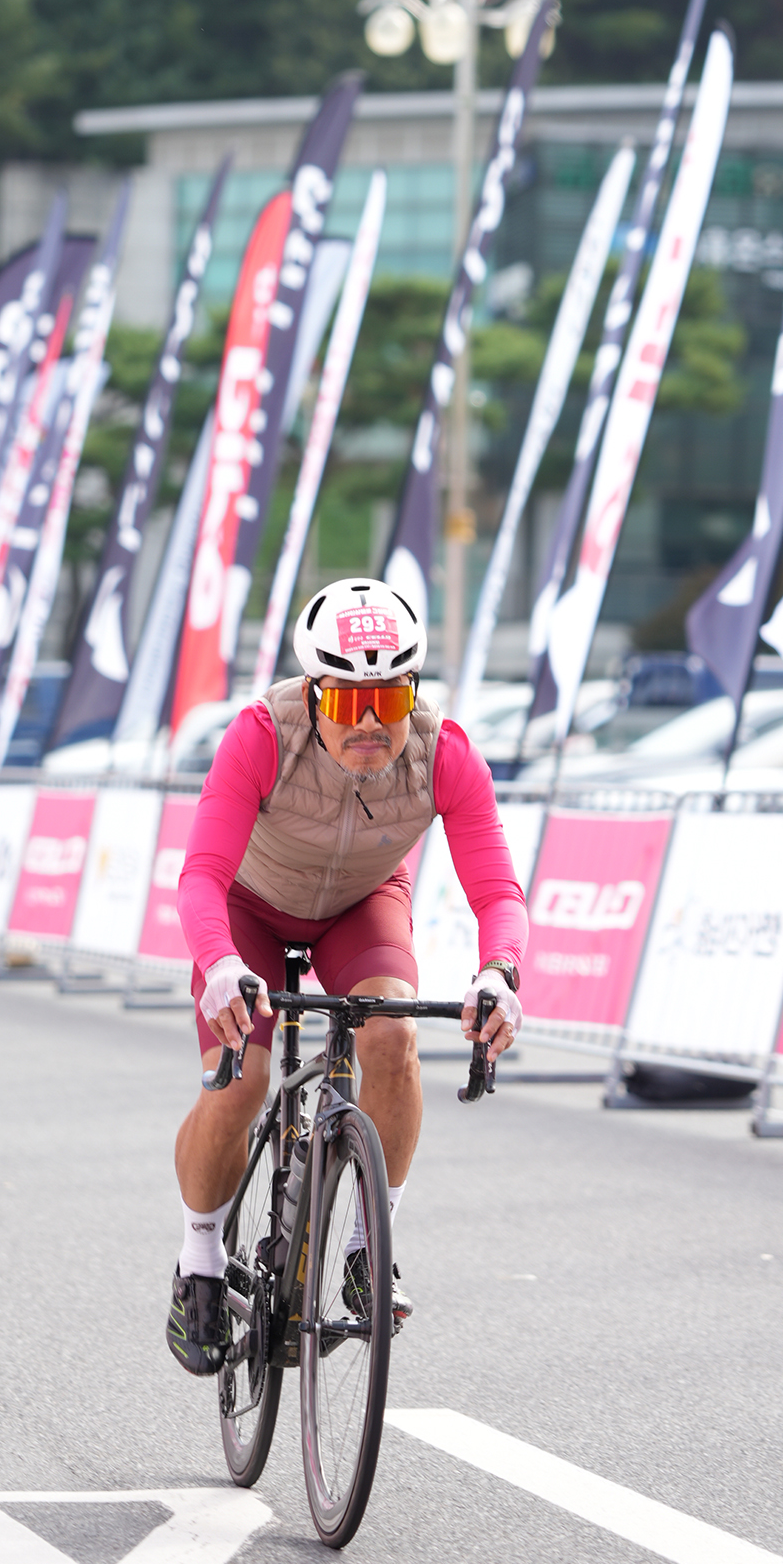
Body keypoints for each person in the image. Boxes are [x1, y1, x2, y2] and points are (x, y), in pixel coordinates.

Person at [168, 576, 527, 1377]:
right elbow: (201, 874)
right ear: (313, 693)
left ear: (414, 693)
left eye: (389, 700)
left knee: (393, 1039)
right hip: (249, 909)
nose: (369, 723)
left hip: (360, 906)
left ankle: (370, 1247)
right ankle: (200, 1256)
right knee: (242, 1080)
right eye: (347, 701)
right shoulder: (262, 733)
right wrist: (220, 963)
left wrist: (500, 971)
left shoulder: (443, 752)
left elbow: (498, 892)